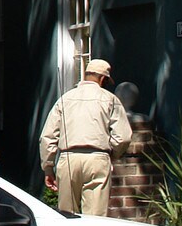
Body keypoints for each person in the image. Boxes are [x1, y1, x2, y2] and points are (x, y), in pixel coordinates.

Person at [38, 58, 133, 215]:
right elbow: (123, 137)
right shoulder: (110, 99)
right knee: (95, 219)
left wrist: (48, 167)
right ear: (103, 78)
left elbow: (48, 137)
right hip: (98, 158)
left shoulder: (65, 99)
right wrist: (112, 154)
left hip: (68, 158)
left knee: (67, 216)